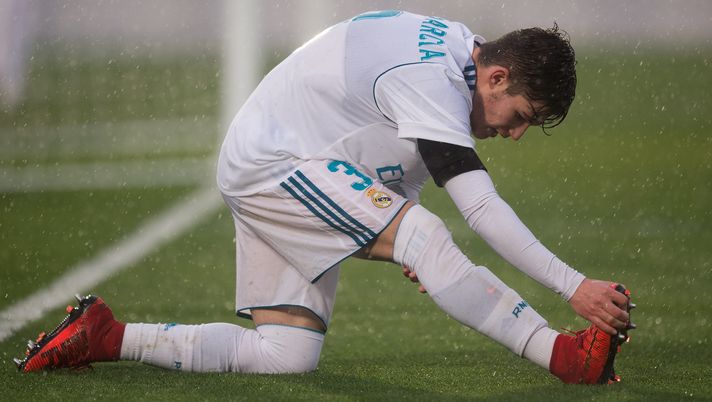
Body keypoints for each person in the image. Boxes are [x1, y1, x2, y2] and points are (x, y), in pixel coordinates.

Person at [16, 10, 635, 384]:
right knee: (428, 235)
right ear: (496, 77)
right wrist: (572, 285)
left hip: (280, 157)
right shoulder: (433, 76)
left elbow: (386, 140)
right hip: (275, 165)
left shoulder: (454, 52)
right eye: (520, 115)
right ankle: (561, 355)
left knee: (286, 356)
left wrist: (403, 236)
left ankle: (106, 336)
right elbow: (478, 206)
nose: (515, 133)